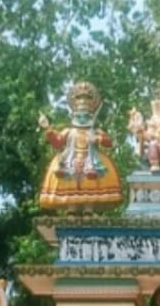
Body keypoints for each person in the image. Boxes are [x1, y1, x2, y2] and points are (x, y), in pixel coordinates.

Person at [38, 81, 124, 210]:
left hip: (92, 160)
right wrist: (47, 128)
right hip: (70, 160)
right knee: (66, 178)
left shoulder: (95, 132)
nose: (82, 119)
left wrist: (97, 138)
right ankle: (71, 210)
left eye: (85, 116)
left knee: (92, 182)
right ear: (73, 115)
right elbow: (57, 142)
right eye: (79, 116)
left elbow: (109, 142)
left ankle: (88, 210)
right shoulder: (69, 131)